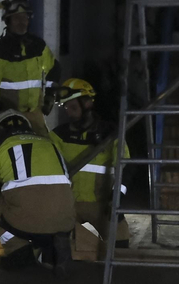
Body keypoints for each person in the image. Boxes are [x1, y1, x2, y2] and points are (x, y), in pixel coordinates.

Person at [0, 111, 77, 276]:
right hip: (66, 221)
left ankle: (18, 250)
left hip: (27, 223)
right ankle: (51, 249)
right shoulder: (49, 143)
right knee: (48, 205)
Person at [51, 78, 130, 248]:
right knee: (58, 244)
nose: (69, 113)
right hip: (70, 205)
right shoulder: (58, 136)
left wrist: (116, 198)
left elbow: (125, 168)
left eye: (73, 107)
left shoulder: (110, 133)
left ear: (87, 103)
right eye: (66, 108)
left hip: (101, 205)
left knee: (121, 239)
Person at [0, 0, 58, 135]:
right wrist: (0, 118)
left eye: (25, 17)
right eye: (17, 18)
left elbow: (54, 69)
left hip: (35, 116)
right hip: (11, 118)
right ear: (8, 21)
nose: (22, 22)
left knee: (45, 146)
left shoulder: (38, 46)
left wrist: (50, 95)